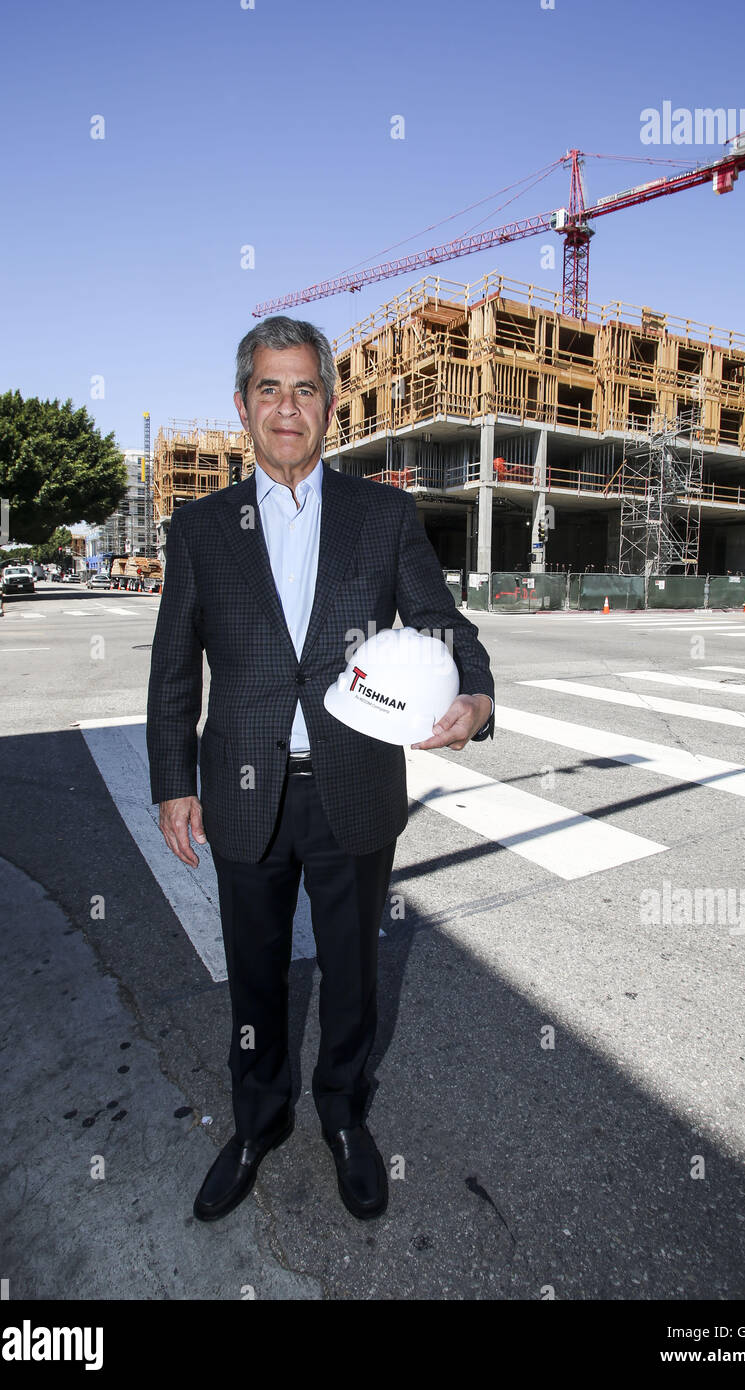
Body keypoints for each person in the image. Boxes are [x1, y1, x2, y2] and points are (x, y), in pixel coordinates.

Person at [146, 316, 495, 1224]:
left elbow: (439, 618)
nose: (286, 407)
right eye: (269, 388)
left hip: (353, 785)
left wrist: (479, 697)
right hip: (241, 790)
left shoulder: (382, 515)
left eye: (304, 388)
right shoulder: (197, 528)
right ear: (242, 406)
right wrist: (171, 781)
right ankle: (257, 1122)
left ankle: (344, 1116)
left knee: (350, 972)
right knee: (254, 975)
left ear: (330, 408)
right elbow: (173, 669)